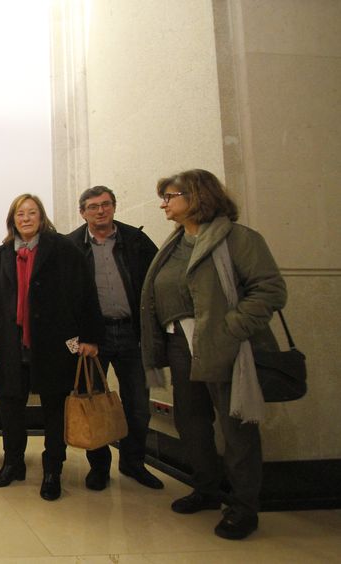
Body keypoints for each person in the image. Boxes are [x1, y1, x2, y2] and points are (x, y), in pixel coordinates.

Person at [141, 169, 286, 540]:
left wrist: (232, 327)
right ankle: (205, 489)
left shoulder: (237, 239)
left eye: (170, 196)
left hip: (224, 345)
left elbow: (269, 290)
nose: (164, 204)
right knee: (191, 421)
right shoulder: (173, 244)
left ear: (196, 196)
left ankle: (243, 506)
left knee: (236, 426)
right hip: (179, 344)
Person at [0, 194, 103, 501]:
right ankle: (13, 463)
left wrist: (87, 338)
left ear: (41, 216)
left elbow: (85, 294)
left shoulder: (62, 248)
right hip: (11, 345)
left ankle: (53, 471)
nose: (26, 218)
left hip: (53, 343)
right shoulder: (3, 254)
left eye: (32, 213)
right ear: (12, 219)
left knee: (54, 409)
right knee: (10, 406)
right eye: (20, 214)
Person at [66, 186, 164, 491]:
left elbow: (157, 284)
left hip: (133, 334)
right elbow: (63, 299)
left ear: (114, 207)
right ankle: (99, 466)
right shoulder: (70, 246)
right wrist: (75, 340)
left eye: (105, 205)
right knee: (93, 402)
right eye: (93, 207)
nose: (100, 211)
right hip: (93, 338)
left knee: (138, 404)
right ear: (82, 212)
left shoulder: (136, 241)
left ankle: (134, 462)